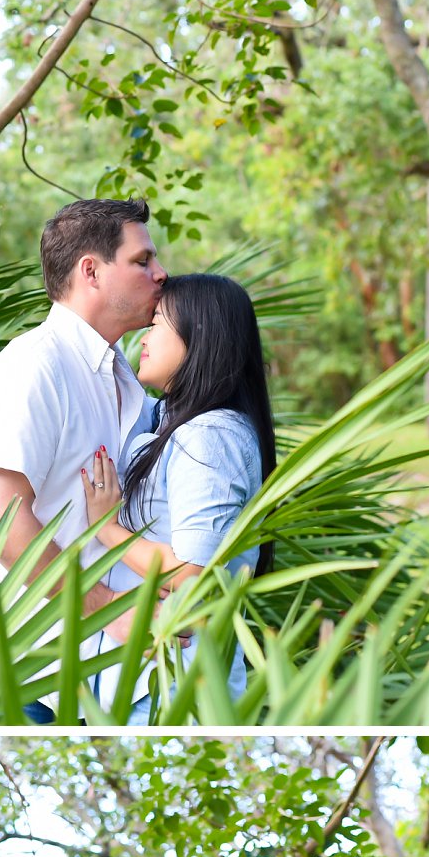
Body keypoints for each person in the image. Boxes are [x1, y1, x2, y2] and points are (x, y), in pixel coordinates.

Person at [0, 199, 164, 662]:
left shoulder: (125, 377)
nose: (161, 273)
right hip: (16, 672)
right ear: (91, 271)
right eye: (142, 261)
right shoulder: (35, 366)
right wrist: (107, 608)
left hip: (87, 671)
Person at [81, 271, 276, 705]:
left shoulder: (210, 435)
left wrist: (107, 528)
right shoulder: (176, 423)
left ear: (200, 337)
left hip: (173, 687)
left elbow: (195, 575)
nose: (144, 337)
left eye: (157, 324)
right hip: (147, 680)